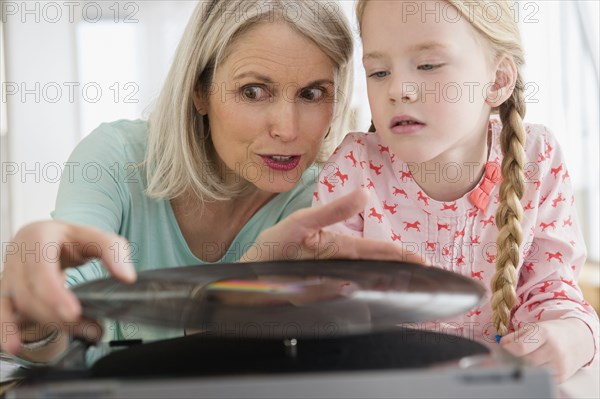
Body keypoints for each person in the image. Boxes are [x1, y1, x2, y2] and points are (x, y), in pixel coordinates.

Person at [0, 0, 420, 365]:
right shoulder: (116, 159)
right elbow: (51, 335)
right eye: (253, 91)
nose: (288, 129)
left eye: (312, 94)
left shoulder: (319, 202)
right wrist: (32, 316)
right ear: (199, 90)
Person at [314, 0, 598, 382]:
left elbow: (553, 290)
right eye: (378, 71)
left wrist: (572, 337)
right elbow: (329, 312)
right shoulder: (352, 169)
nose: (398, 89)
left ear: (497, 81)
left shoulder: (537, 158)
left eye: (429, 65)